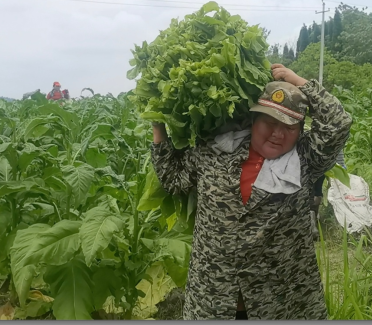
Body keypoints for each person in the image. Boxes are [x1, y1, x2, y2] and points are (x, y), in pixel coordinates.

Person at [151, 64, 352, 320]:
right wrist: (158, 125)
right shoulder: (215, 151)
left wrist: (300, 82)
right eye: (270, 122)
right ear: (253, 120)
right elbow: (173, 180)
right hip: (213, 298)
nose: (278, 134)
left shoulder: (305, 160)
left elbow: (338, 123)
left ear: (300, 132)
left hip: (281, 302)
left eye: (290, 127)